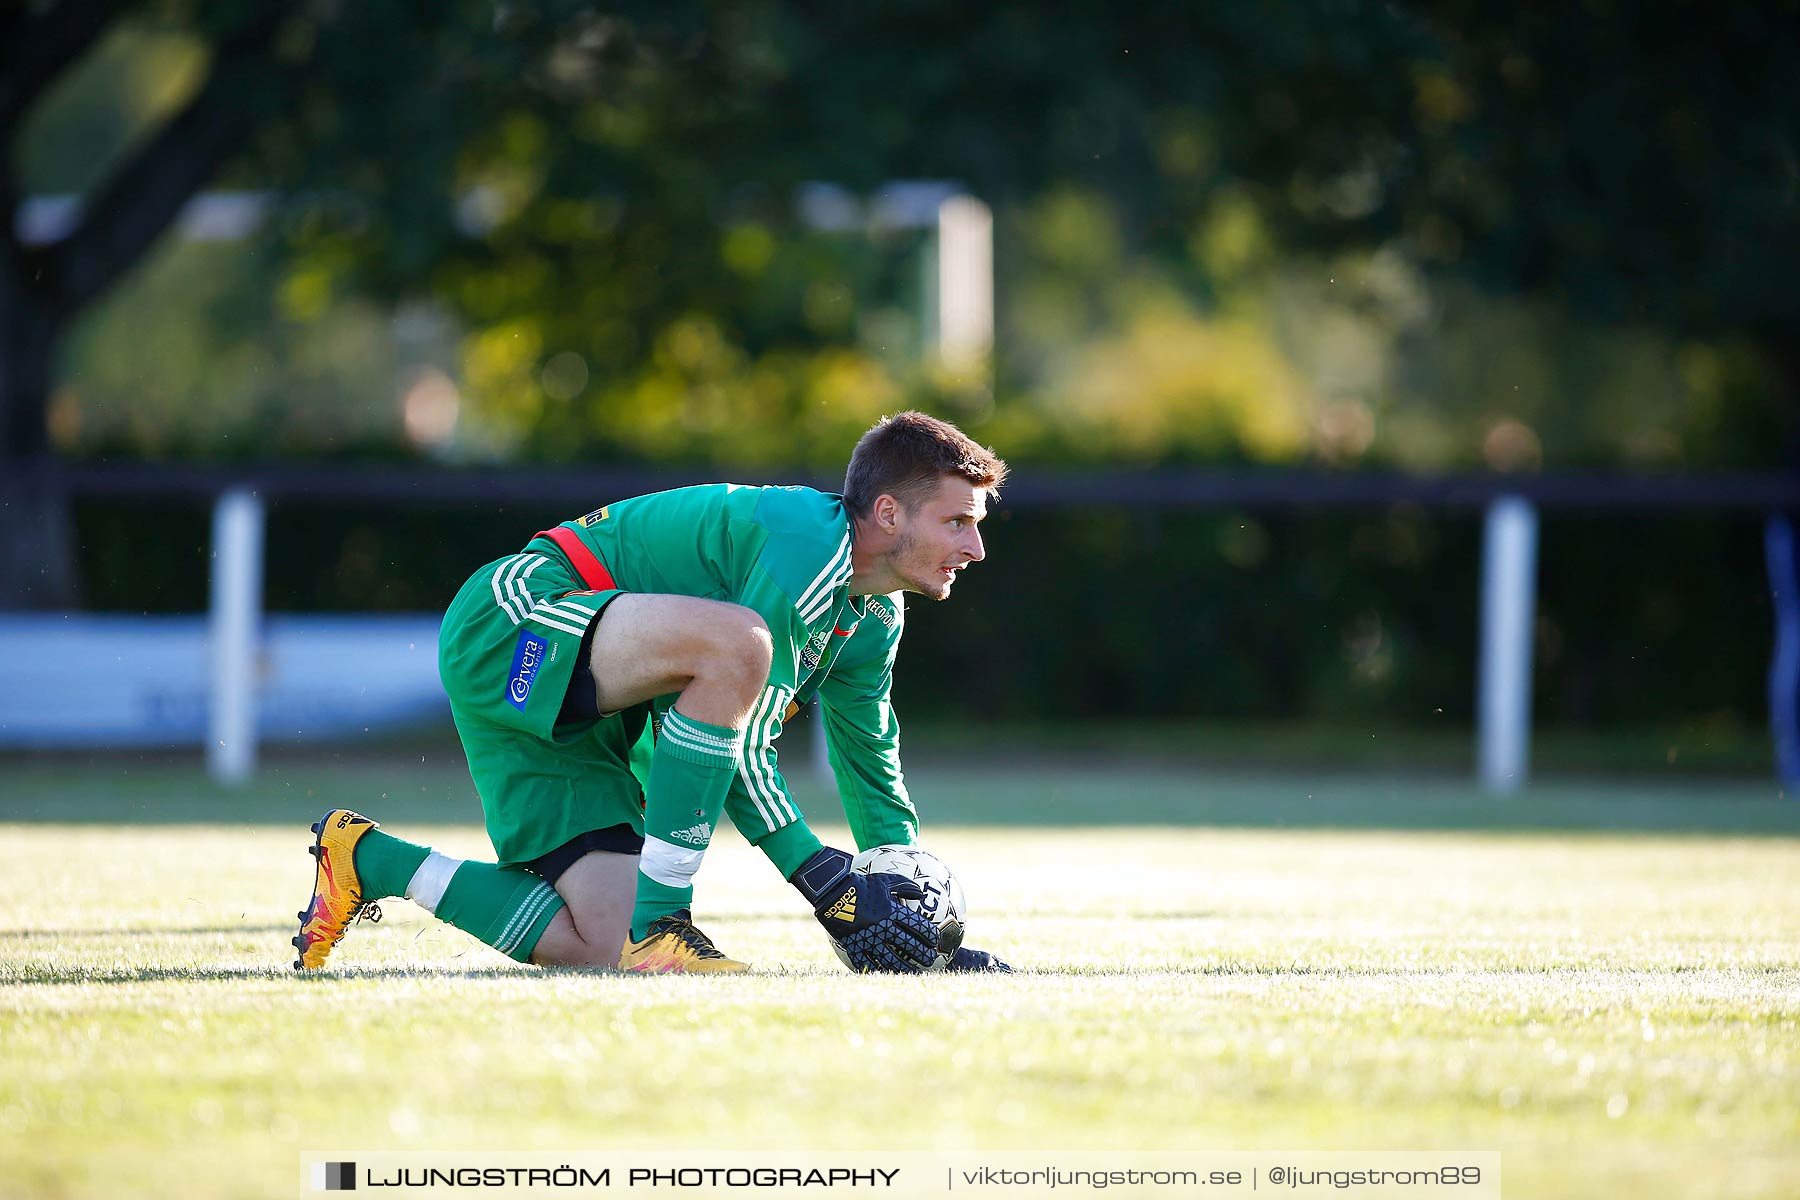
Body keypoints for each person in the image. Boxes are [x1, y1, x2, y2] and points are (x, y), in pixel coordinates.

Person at [291, 411, 1013, 974]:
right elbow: (746, 745)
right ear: (888, 514)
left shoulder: (875, 610)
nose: (976, 549)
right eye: (957, 522)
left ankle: (368, 858)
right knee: (742, 644)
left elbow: (868, 756)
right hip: (516, 620)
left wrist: (921, 919)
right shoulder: (809, 552)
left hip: (591, 708)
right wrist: (821, 876)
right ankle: (664, 923)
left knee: (598, 945)